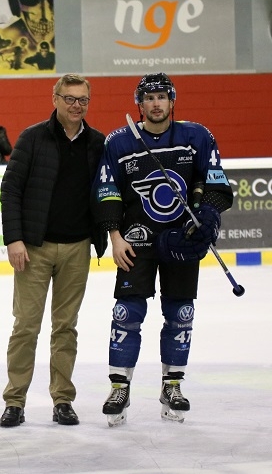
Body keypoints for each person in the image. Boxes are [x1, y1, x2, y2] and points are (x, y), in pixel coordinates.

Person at [92, 73, 233, 426]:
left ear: (172, 101)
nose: (155, 103)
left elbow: (215, 183)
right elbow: (107, 190)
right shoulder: (119, 141)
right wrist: (115, 235)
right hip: (135, 242)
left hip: (181, 240)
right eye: (148, 98)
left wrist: (207, 217)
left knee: (180, 314)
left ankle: (173, 384)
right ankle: (119, 386)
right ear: (138, 104)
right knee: (127, 313)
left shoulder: (196, 136)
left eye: (162, 97)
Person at [0, 73, 106, 428]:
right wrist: (14, 239)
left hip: (77, 248)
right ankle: (15, 401)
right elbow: (10, 190)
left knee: (66, 328)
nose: (77, 105)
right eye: (70, 98)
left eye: (83, 100)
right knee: (26, 326)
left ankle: (63, 399)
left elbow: (106, 194)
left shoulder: (97, 143)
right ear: (55, 98)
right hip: (34, 248)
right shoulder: (32, 138)